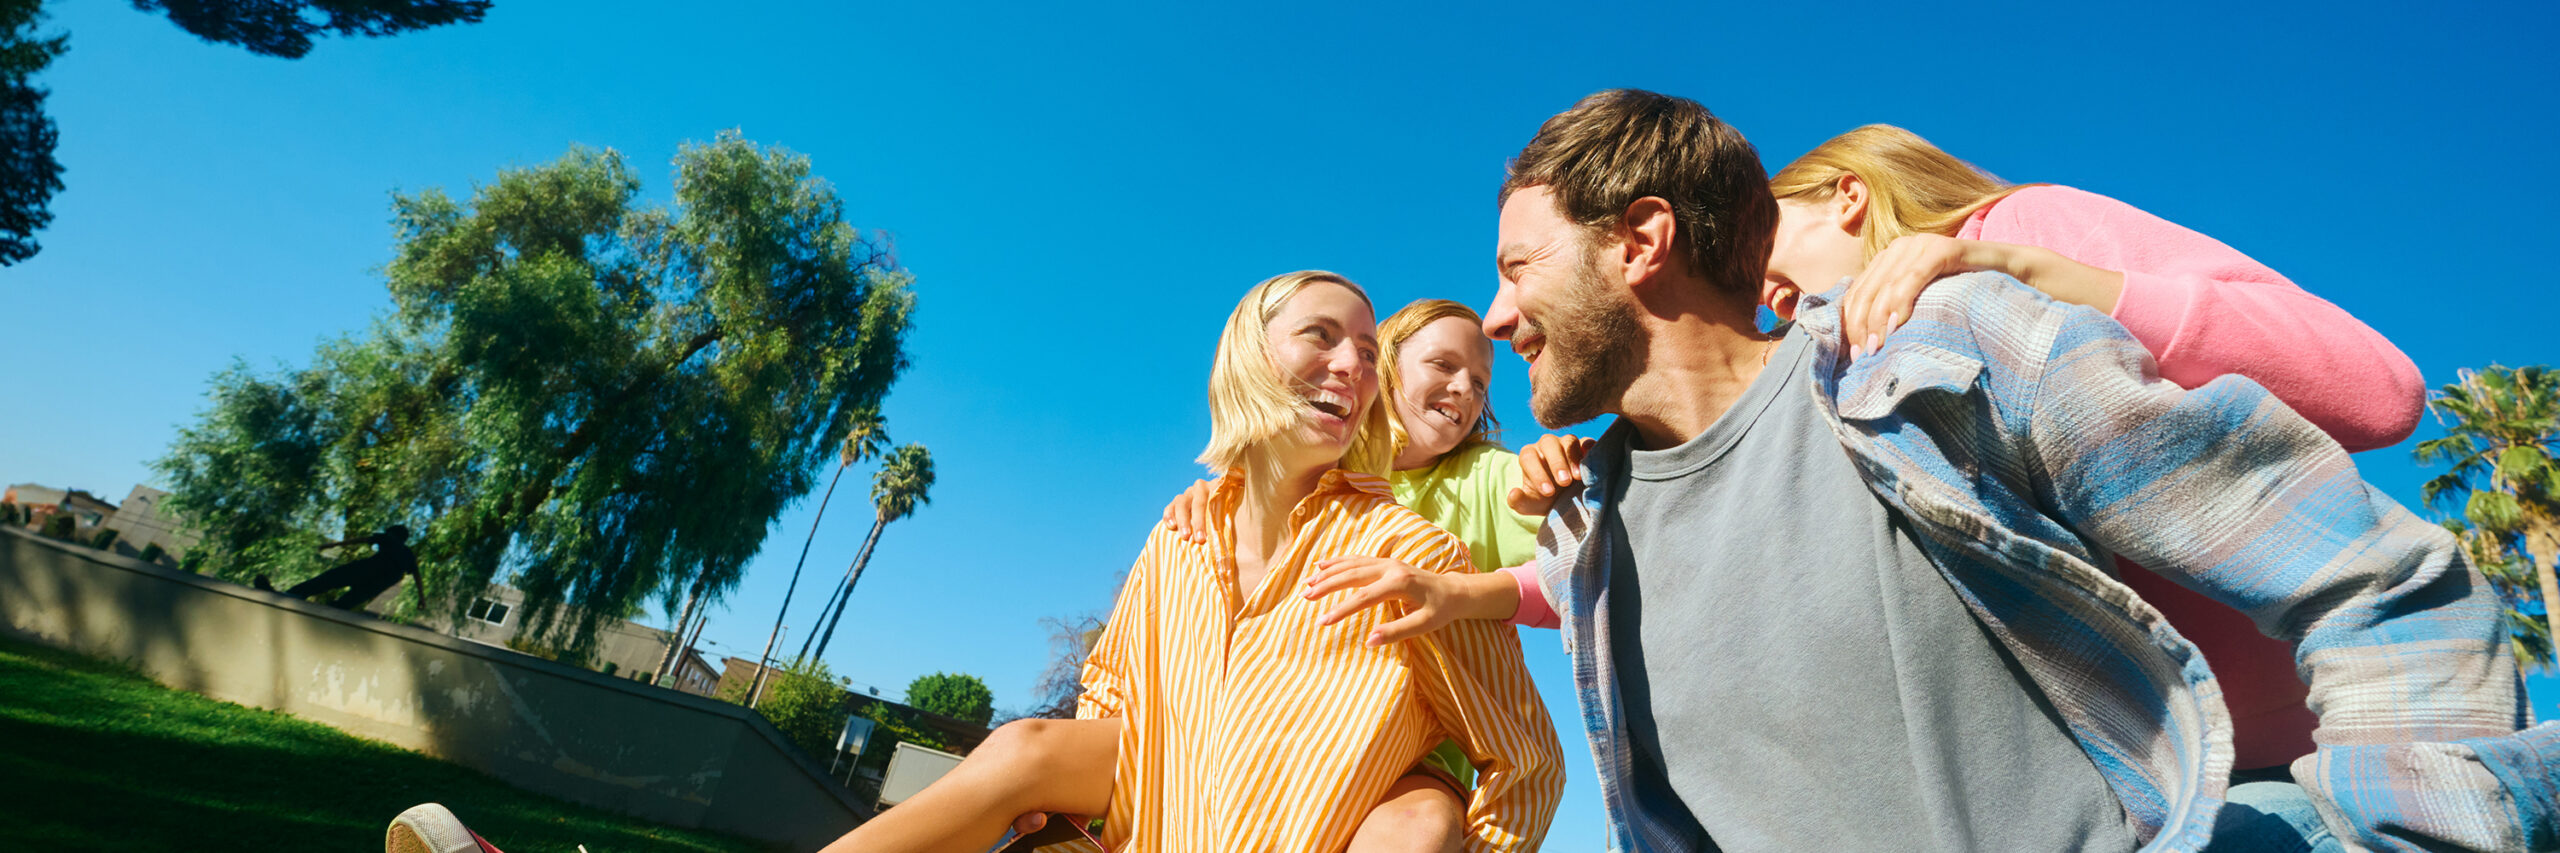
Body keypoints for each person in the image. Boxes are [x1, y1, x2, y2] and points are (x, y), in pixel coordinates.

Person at [1320, 88, 2553, 852]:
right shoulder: (1595, 537)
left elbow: (2375, 573)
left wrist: (2419, 828)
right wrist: (1462, 593)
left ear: (1641, 243)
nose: (1490, 316)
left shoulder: (1944, 348)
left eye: (1517, 268)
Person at [815, 271, 1565, 853]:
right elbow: (1111, 691)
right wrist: (1067, 797)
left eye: (1367, 352)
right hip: (1159, 813)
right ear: (1251, 356)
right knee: (1021, 743)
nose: (1352, 365)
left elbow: (1526, 758)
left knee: (1421, 817)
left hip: (1360, 808)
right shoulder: (1179, 537)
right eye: (1323, 336)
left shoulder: (1415, 550)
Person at [1159, 297, 1544, 850]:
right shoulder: (1322, 465)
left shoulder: (1488, 475)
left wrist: (1460, 589)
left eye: (1480, 383)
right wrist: (1214, 496)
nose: (1466, 389)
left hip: (1412, 761)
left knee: (1418, 827)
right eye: (1442, 365)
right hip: (1286, 746)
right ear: (1381, 368)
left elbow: (1580, 576)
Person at [254, 524, 422, 611]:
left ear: (393, 533)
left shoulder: (389, 538)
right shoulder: (409, 554)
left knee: (328, 580)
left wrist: (333, 545)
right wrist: (422, 598)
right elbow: (417, 576)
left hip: (365, 570)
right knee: (343, 605)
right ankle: (327, 612)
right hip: (377, 585)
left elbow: (361, 540)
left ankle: (292, 595)